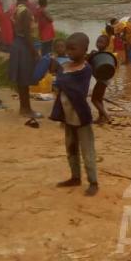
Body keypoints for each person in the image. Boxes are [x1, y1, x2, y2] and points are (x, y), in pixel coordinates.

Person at [50, 33, 98, 196]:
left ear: (84, 50)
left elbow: (78, 91)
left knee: (87, 149)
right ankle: (75, 177)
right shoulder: (64, 67)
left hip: (81, 116)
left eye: (73, 48)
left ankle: (93, 182)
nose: (69, 52)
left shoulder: (86, 69)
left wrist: (61, 80)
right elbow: (58, 84)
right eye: (67, 48)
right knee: (70, 147)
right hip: (67, 114)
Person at [8, 0, 41, 118]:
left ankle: (24, 108)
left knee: (21, 79)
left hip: (16, 44)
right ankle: (26, 109)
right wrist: (34, 51)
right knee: (25, 78)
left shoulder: (15, 9)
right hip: (24, 45)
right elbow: (27, 35)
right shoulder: (26, 12)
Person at [90, 35, 114, 125]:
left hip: (102, 80)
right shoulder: (100, 54)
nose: (99, 44)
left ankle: (107, 117)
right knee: (99, 99)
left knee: (94, 99)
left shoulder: (103, 55)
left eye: (101, 42)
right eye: (98, 42)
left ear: (107, 45)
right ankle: (101, 118)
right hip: (105, 79)